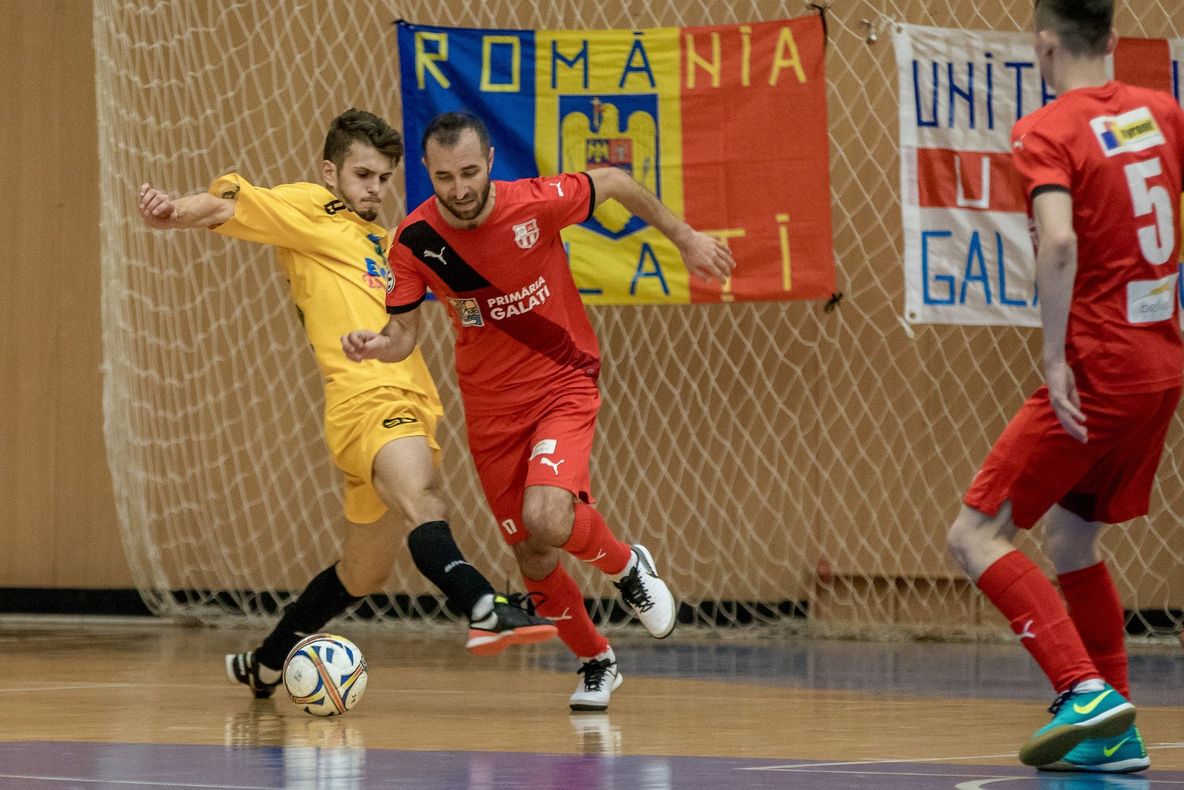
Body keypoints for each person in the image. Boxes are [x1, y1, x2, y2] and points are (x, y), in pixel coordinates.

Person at [136, 108, 558, 699]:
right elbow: (227, 205)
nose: (375, 189)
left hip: (404, 403)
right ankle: (482, 603)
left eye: (384, 178)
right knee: (425, 497)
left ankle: (266, 661)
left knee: (363, 572)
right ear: (330, 173)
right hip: (370, 400)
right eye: (363, 175)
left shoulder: (388, 243)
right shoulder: (312, 208)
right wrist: (171, 212)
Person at [343, 111, 735, 710]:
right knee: (530, 550)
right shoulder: (414, 241)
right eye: (445, 177)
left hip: (563, 381)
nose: (460, 188)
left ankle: (628, 566)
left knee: (549, 517)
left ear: (491, 163)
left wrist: (684, 238)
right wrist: (379, 346)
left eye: (470, 172)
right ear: (427, 172)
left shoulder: (536, 203)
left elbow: (617, 182)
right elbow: (404, 334)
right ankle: (596, 659)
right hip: (489, 409)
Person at [946, 0, 1184, 773]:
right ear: (1114, 38)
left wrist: (1054, 359)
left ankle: (1083, 690)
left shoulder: (1047, 129)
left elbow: (1058, 243)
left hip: (1098, 370)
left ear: (1043, 47)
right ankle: (1115, 737)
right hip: (1160, 367)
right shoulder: (1163, 112)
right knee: (1073, 539)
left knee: (973, 536)